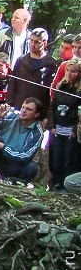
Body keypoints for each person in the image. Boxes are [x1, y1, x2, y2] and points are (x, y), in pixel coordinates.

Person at [0, 98, 44, 184]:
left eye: (29, 109)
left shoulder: (37, 132)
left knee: (32, 167)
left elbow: (24, 157)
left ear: (36, 114)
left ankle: (14, 182)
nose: (24, 111)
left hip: (16, 165)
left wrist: (2, 146)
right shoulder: (12, 116)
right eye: (23, 107)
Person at [47, 58, 81, 191]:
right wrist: (52, 125)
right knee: (56, 159)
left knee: (69, 160)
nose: (69, 73)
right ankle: (55, 184)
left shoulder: (78, 91)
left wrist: (75, 129)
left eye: (73, 71)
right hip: (57, 128)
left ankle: (66, 186)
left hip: (71, 130)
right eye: (68, 70)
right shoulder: (61, 87)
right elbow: (52, 108)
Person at [6, 28, 57, 111]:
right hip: (19, 107)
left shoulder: (51, 64)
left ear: (44, 43)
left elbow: (51, 92)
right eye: (31, 40)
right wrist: (9, 104)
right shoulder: (21, 60)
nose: (33, 44)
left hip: (39, 110)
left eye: (37, 42)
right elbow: (12, 84)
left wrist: (47, 115)